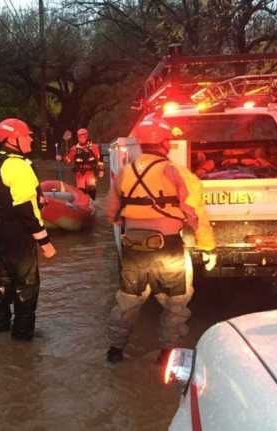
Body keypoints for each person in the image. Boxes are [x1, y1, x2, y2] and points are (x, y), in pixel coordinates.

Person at [105, 116, 217, 364]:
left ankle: (115, 350)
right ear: (165, 143)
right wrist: (208, 246)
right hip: (169, 250)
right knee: (177, 303)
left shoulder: (125, 172)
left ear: (141, 144)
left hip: (134, 249)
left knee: (127, 301)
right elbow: (196, 214)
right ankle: (167, 354)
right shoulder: (177, 172)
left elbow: (110, 212)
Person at [0, 118, 57, 341]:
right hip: (18, 235)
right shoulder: (18, 165)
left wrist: (38, 198)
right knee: (26, 285)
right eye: (26, 136)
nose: (31, 139)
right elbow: (25, 207)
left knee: (2, 280)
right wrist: (45, 241)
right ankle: (22, 339)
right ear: (12, 139)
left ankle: (0, 326)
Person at [58, 128, 104, 199]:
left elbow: (100, 160)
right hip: (79, 174)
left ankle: (92, 203)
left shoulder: (93, 147)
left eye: (84, 136)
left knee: (92, 189)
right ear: (78, 137)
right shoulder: (74, 149)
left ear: (87, 137)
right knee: (81, 191)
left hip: (90, 172)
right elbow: (68, 160)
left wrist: (101, 171)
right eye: (80, 137)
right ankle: (82, 203)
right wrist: (61, 158)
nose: (82, 138)